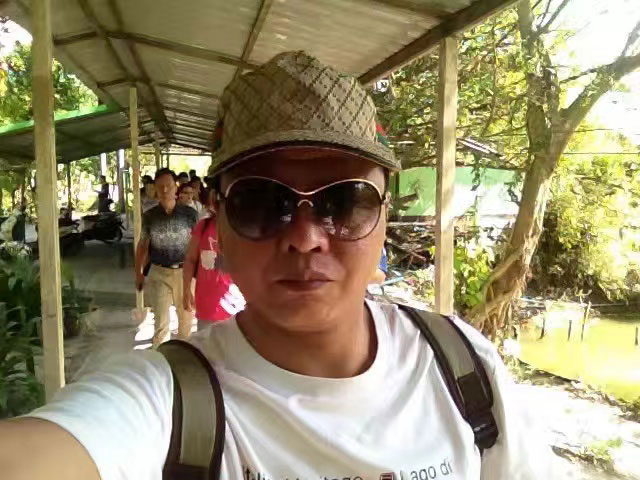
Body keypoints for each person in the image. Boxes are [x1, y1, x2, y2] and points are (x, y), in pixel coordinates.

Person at [0, 51, 550, 480]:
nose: (306, 239)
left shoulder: (462, 368)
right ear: (216, 219)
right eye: (262, 203)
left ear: (383, 216)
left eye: (344, 201)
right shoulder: (170, 400)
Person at [134, 168, 197, 347]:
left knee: (186, 320)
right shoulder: (150, 216)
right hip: (159, 273)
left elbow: (197, 244)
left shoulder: (189, 214)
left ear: (175, 187)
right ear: (155, 189)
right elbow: (142, 245)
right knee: (161, 323)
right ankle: (160, 358)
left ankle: (184, 357)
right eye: (160, 186)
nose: (164, 190)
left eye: (168, 185)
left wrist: (198, 274)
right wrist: (138, 273)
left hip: (185, 273)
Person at [182, 189, 244, 328]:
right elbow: (190, 259)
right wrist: (186, 290)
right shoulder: (203, 226)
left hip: (235, 304)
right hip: (207, 304)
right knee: (206, 340)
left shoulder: (243, 229)